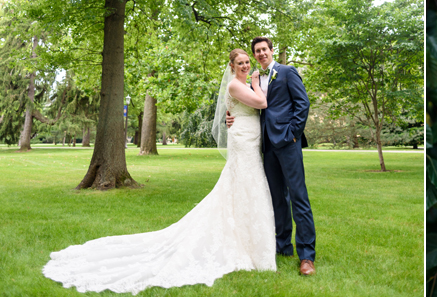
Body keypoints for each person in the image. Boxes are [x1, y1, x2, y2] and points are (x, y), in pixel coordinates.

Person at [43, 48, 276, 294]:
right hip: (243, 142)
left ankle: (246, 238)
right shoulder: (236, 85)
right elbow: (261, 102)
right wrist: (254, 83)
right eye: (240, 62)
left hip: (249, 138)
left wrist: (245, 96)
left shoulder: (242, 85)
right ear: (231, 66)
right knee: (245, 184)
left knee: (245, 188)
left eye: (247, 62)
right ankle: (247, 245)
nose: (245, 65)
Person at [227, 36, 316, 276]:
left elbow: (302, 104)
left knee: (298, 197)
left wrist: (293, 134)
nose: (261, 54)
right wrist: (229, 115)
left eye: (264, 49)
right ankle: (283, 245)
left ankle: (306, 256)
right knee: (277, 198)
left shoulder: (286, 72)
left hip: (288, 144)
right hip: (265, 146)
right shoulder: (254, 78)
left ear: (271, 50)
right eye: (257, 51)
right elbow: (249, 105)